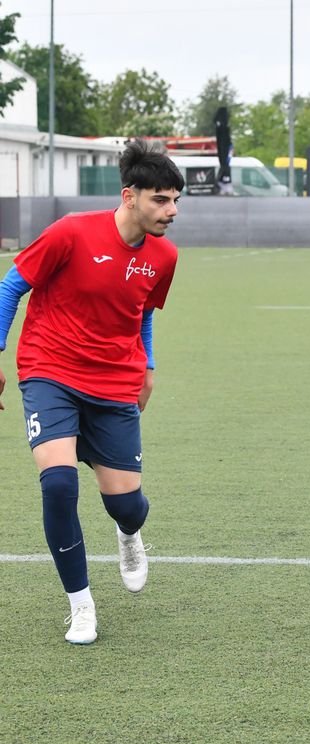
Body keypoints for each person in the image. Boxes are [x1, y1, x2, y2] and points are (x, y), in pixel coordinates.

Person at [0, 139, 183, 645]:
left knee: (126, 505)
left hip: (114, 382)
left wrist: (148, 365)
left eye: (175, 202)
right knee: (58, 485)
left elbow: (142, 312)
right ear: (130, 196)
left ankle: (129, 534)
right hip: (49, 370)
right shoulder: (72, 232)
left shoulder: (164, 257)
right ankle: (81, 605)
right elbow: (10, 287)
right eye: (160, 200)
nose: (171, 212)